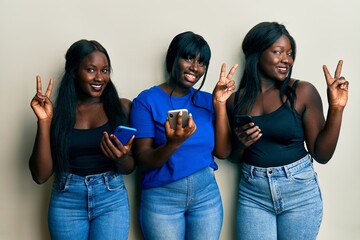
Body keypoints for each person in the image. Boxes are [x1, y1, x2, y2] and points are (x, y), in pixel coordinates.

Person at [223, 22, 349, 240]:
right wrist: (241, 144)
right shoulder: (236, 100)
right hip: (253, 194)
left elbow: (322, 155)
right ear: (257, 53)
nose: (286, 60)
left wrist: (336, 109)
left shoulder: (302, 92)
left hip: (299, 193)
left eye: (290, 54)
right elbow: (233, 158)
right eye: (277, 52)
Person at [130, 31, 237, 240]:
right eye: (188, 58)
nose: (195, 68)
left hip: (206, 196)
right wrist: (173, 144)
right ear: (173, 58)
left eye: (201, 62)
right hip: (162, 198)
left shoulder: (208, 100)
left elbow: (223, 152)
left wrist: (220, 105)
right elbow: (142, 159)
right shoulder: (146, 101)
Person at [29, 39, 136, 240]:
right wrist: (44, 122)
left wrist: (122, 157)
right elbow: (40, 175)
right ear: (74, 72)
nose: (99, 78)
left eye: (105, 70)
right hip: (66, 200)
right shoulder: (58, 115)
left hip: (111, 199)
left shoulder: (122, 108)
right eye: (91, 69)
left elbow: (129, 167)